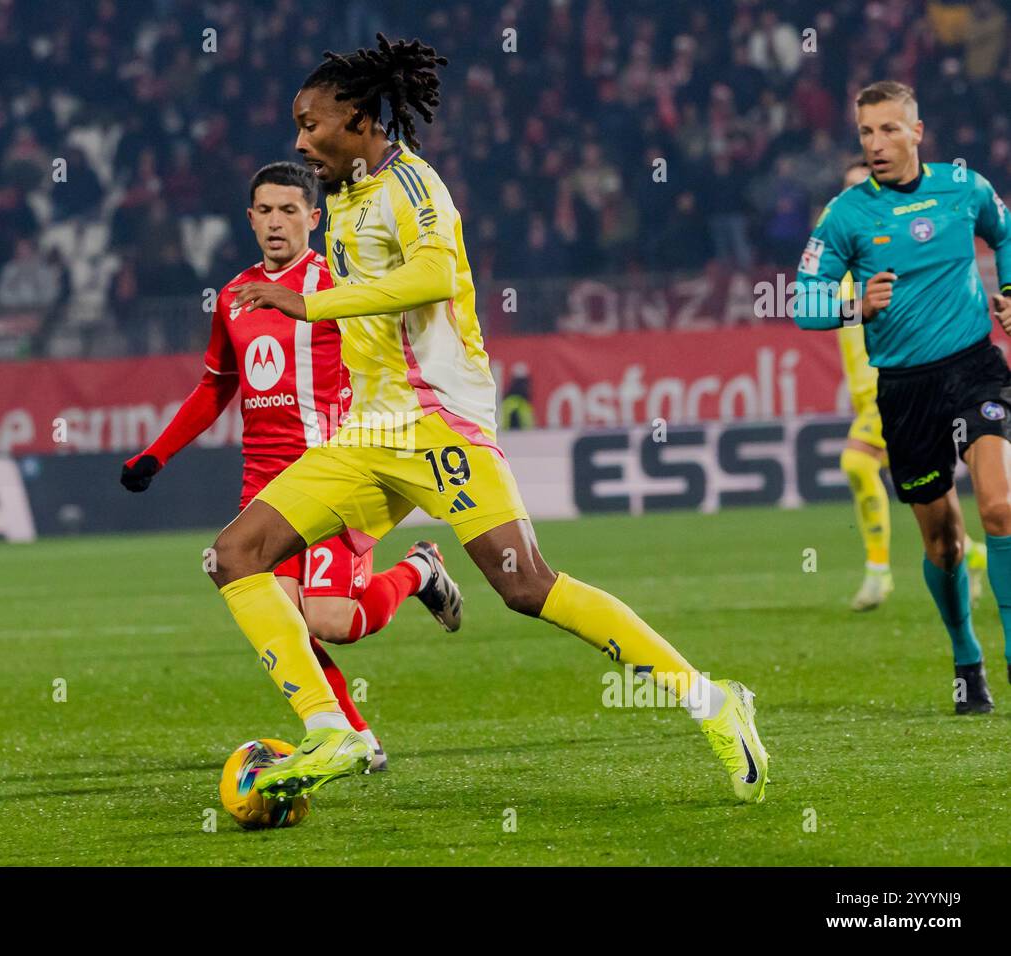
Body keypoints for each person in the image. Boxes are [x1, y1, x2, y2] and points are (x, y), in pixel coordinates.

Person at [214, 35, 769, 804]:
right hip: (368, 435)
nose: (301, 141)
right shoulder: (340, 196)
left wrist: (310, 302)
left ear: (362, 118)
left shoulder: (413, 185)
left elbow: (436, 274)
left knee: (525, 586)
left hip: (439, 424)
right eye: (298, 126)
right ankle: (334, 731)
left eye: (313, 124)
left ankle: (711, 698)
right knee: (236, 553)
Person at [121, 161, 467, 771]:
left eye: (290, 210)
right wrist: (156, 453)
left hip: (338, 473)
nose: (277, 222)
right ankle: (357, 737)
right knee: (287, 622)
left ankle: (419, 569)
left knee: (332, 620)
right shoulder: (233, 296)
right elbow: (214, 387)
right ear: (249, 219)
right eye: (265, 210)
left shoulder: (340, 281)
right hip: (266, 486)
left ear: (315, 217)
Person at [794, 81, 1011, 713]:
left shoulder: (965, 188)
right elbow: (802, 301)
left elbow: (1004, 233)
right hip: (905, 389)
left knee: (999, 508)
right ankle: (966, 656)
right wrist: (853, 304)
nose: (877, 143)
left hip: (974, 367)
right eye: (866, 132)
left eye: (890, 130)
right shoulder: (845, 215)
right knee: (943, 542)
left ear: (918, 132)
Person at [833, 160, 988, 612]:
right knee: (922, 498)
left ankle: (879, 573)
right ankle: (971, 555)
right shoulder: (840, 257)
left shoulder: (893, 255)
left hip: (902, 388)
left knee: (857, 464)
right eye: (847, 190)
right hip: (872, 397)